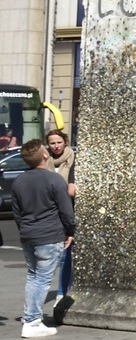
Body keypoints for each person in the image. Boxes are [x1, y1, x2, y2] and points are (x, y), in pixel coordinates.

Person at [13, 139, 75, 339]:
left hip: (28, 235)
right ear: (45, 156)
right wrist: (70, 231)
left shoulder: (19, 181)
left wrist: (24, 230)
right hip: (49, 234)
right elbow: (66, 211)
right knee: (42, 279)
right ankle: (32, 321)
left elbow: (17, 213)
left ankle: (29, 316)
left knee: (33, 276)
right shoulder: (53, 179)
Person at [43, 129, 75, 301]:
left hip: (69, 209)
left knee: (65, 254)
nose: (56, 146)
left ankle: (62, 293)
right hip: (51, 211)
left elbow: (72, 189)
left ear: (65, 142)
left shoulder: (73, 159)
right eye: (52, 143)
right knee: (55, 255)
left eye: (59, 142)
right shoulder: (45, 160)